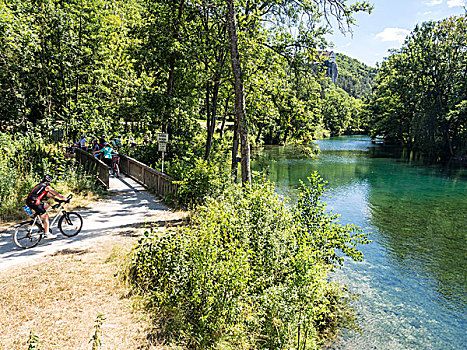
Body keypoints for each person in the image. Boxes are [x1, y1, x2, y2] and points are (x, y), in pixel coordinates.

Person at [26, 174, 67, 239]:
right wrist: (64, 198)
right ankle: (47, 234)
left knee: (47, 205)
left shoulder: (40, 185)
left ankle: (40, 221)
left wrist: (55, 199)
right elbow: (56, 193)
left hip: (30, 202)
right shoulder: (47, 187)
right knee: (46, 217)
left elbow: (48, 194)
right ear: (49, 181)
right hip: (36, 203)